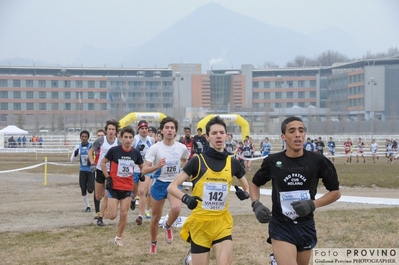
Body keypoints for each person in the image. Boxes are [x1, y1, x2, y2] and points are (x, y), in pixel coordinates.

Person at [249, 116, 341, 265]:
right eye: (292, 131)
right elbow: (254, 184)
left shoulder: (318, 161)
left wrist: (312, 204)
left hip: (306, 225)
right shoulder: (273, 161)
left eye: (301, 130)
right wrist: (256, 204)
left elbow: (335, 192)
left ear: (304, 134)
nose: (297, 134)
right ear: (283, 137)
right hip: (281, 225)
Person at [168, 115, 250, 265]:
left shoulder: (232, 162)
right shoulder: (197, 161)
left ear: (226, 135)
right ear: (207, 137)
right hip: (200, 224)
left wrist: (244, 194)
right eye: (214, 133)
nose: (218, 136)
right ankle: (191, 260)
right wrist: (186, 198)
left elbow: (248, 188)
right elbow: (172, 187)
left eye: (221, 132)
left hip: (222, 223)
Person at [141, 116, 189, 254]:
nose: (169, 130)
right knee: (155, 217)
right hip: (159, 183)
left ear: (175, 131)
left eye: (172, 128)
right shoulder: (155, 148)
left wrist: (182, 172)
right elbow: (144, 169)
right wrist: (158, 165)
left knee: (176, 208)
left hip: (174, 184)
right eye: (167, 128)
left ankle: (168, 226)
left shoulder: (181, 147)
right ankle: (153, 243)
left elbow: (185, 160)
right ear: (161, 131)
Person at [100, 126, 144, 246]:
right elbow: (102, 163)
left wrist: (142, 174)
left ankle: (118, 237)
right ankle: (108, 207)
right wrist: (107, 176)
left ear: (133, 138)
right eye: (125, 137)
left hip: (127, 188)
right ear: (120, 137)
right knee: (113, 216)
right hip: (114, 187)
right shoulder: (114, 151)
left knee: (124, 214)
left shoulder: (135, 153)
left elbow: (142, 166)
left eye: (130, 137)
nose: (128, 140)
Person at [88, 119, 121, 226]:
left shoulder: (118, 143)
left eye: (113, 129)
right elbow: (90, 152)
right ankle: (103, 206)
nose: (111, 131)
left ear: (116, 131)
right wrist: (92, 163)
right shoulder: (100, 140)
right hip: (99, 169)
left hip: (111, 172)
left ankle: (100, 217)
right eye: (109, 129)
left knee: (107, 195)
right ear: (106, 130)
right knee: (98, 196)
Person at [131, 120, 155, 225]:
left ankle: (140, 215)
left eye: (146, 128)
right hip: (135, 169)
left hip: (146, 169)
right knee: (134, 192)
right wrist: (136, 150)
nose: (144, 130)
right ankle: (132, 200)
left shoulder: (151, 140)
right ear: (138, 129)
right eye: (142, 129)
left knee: (142, 192)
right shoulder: (135, 139)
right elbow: (128, 151)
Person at [70, 130, 94, 212]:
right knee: (83, 189)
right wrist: (75, 154)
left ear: (88, 138)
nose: (84, 138)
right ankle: (88, 206)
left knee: (90, 190)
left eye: (85, 137)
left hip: (90, 170)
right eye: (82, 137)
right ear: (80, 138)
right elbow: (71, 160)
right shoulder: (77, 147)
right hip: (82, 170)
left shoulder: (91, 146)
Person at [93, 129, 105, 219]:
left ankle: (103, 210)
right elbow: (89, 152)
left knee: (108, 191)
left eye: (102, 135)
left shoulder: (107, 143)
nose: (100, 137)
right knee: (98, 194)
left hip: (108, 170)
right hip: (98, 169)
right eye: (98, 135)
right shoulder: (95, 145)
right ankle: (97, 210)